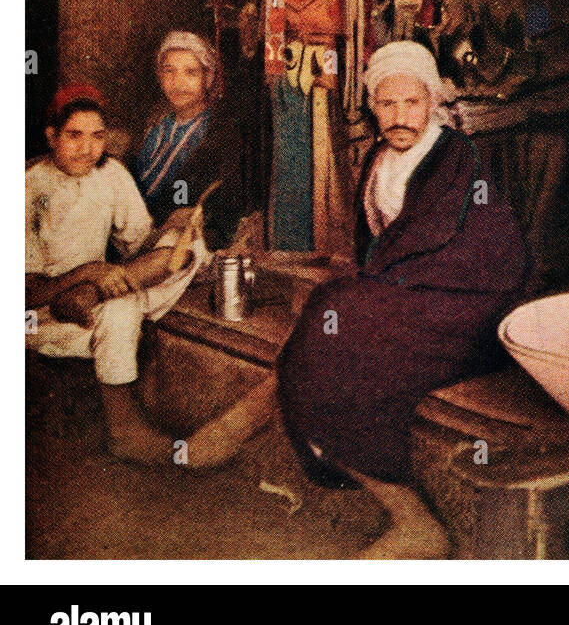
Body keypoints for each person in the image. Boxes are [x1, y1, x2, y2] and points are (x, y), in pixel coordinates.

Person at [185, 40, 530, 559]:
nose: (400, 117)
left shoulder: (455, 157)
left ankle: (249, 424)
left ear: (431, 102)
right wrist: (364, 286)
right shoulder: (376, 156)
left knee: (336, 318)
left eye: (412, 103)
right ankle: (411, 520)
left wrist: (364, 289)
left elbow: (441, 244)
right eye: (387, 105)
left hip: (472, 301)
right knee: (333, 321)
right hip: (412, 290)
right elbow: (379, 247)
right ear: (372, 106)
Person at [25, 83, 208, 465]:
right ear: (51, 136)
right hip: (36, 318)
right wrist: (89, 273)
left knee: (186, 247)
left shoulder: (112, 175)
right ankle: (125, 432)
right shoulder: (26, 186)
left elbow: (139, 247)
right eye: (74, 135)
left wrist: (174, 227)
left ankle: (95, 295)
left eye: (97, 136)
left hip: (89, 303)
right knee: (123, 307)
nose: (87, 148)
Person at [130, 31, 244, 252]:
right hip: (136, 230)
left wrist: (195, 214)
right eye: (169, 72)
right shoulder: (156, 127)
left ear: (207, 78)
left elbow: (225, 200)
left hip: (180, 236)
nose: (178, 83)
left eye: (190, 73)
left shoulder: (218, 131)